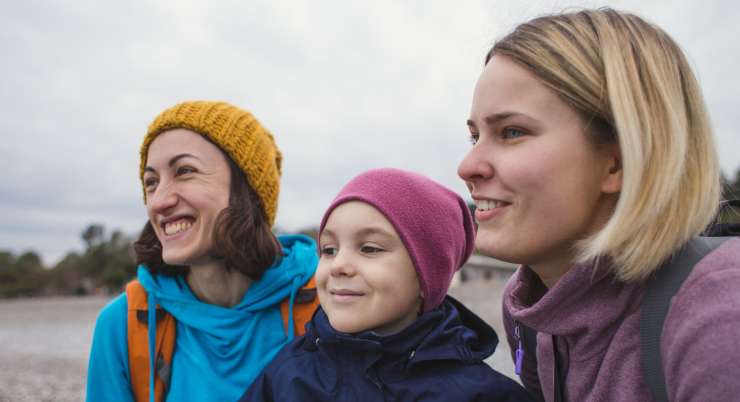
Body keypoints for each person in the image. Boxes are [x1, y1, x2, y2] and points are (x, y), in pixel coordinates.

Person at [457, 8, 740, 402]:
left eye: (512, 132)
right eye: (475, 137)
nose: (467, 167)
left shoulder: (720, 321)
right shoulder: (528, 312)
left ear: (618, 161)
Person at [86, 100, 319, 402]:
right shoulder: (124, 324)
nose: (158, 201)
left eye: (184, 171)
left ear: (247, 190)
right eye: (151, 182)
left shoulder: (325, 309)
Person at [240, 168, 533, 402]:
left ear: (426, 276)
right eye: (329, 249)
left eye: (369, 248)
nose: (339, 264)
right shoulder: (288, 374)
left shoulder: (481, 393)